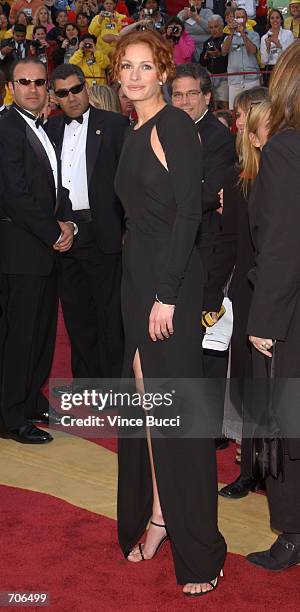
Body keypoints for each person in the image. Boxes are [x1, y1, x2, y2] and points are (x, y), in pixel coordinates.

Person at [113, 30, 226, 597]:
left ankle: (202, 548)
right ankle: (161, 517)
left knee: (175, 416)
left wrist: (168, 294)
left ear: (162, 72)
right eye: (126, 67)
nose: (134, 76)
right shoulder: (133, 130)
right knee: (149, 407)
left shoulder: (174, 126)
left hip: (169, 286)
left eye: (145, 67)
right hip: (139, 282)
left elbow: (188, 216)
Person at [0, 58, 75, 443]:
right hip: (20, 250)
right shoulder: (6, 127)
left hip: (44, 248)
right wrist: (53, 231)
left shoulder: (42, 127)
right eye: (23, 82)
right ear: (11, 86)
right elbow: (14, 194)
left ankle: (30, 399)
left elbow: (54, 187)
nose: (32, 88)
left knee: (43, 332)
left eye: (39, 82)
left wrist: (68, 224)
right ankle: (10, 416)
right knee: (20, 335)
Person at [246, 42, 300, 571]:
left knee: (287, 424)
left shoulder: (285, 149)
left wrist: (264, 321)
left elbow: (282, 245)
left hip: (290, 314)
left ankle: (292, 536)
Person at [205, 86, 270, 500]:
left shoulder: (281, 170)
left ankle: (274, 466)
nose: (238, 123)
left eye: (244, 116)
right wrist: (213, 292)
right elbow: (228, 244)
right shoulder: (235, 177)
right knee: (247, 382)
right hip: (247, 292)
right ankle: (251, 468)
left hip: (279, 290)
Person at [46, 64, 127, 391]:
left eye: (76, 89)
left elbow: (128, 183)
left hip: (103, 232)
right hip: (63, 236)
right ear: (55, 97)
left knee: (110, 316)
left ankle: (113, 386)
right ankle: (87, 385)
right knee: (77, 317)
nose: (71, 97)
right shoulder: (48, 129)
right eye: (63, 93)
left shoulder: (115, 125)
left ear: (87, 88)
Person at [221, 7, 260, 110]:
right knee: (234, 111)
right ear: (233, 19)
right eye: (237, 17)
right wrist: (231, 34)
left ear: (246, 19)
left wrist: (243, 34)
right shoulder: (227, 37)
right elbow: (224, 51)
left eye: (242, 17)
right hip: (235, 80)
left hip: (251, 79)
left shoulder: (254, 35)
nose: (240, 20)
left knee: (254, 111)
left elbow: (253, 51)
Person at [200, 14, 229, 108]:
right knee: (213, 105)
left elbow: (227, 57)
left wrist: (218, 54)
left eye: (216, 27)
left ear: (222, 26)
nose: (213, 30)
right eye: (211, 27)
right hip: (211, 76)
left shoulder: (227, 38)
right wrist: (207, 56)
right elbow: (202, 63)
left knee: (225, 103)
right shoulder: (207, 42)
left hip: (225, 76)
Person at [260, 9, 294, 84]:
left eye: (277, 17)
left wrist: (279, 45)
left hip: (285, 68)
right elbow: (264, 61)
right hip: (270, 71)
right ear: (269, 21)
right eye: (272, 18)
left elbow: (291, 56)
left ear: (281, 20)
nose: (275, 20)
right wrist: (268, 49)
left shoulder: (288, 34)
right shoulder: (264, 38)